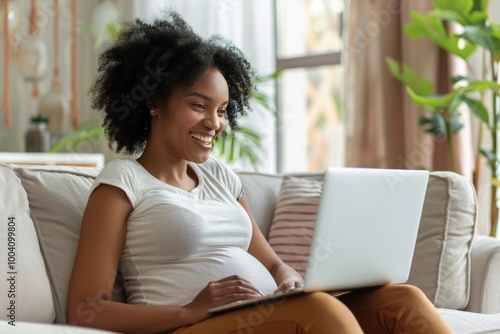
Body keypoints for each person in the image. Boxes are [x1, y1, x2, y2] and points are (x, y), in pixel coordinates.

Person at [67, 11, 453, 334]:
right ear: (153, 102)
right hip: (188, 326)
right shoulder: (122, 182)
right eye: (199, 105)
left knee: (404, 301)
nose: (215, 123)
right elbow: (85, 309)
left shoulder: (221, 177)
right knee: (321, 313)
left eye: (221, 111)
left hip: (268, 312)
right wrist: (189, 310)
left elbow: (272, 262)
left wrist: (287, 279)